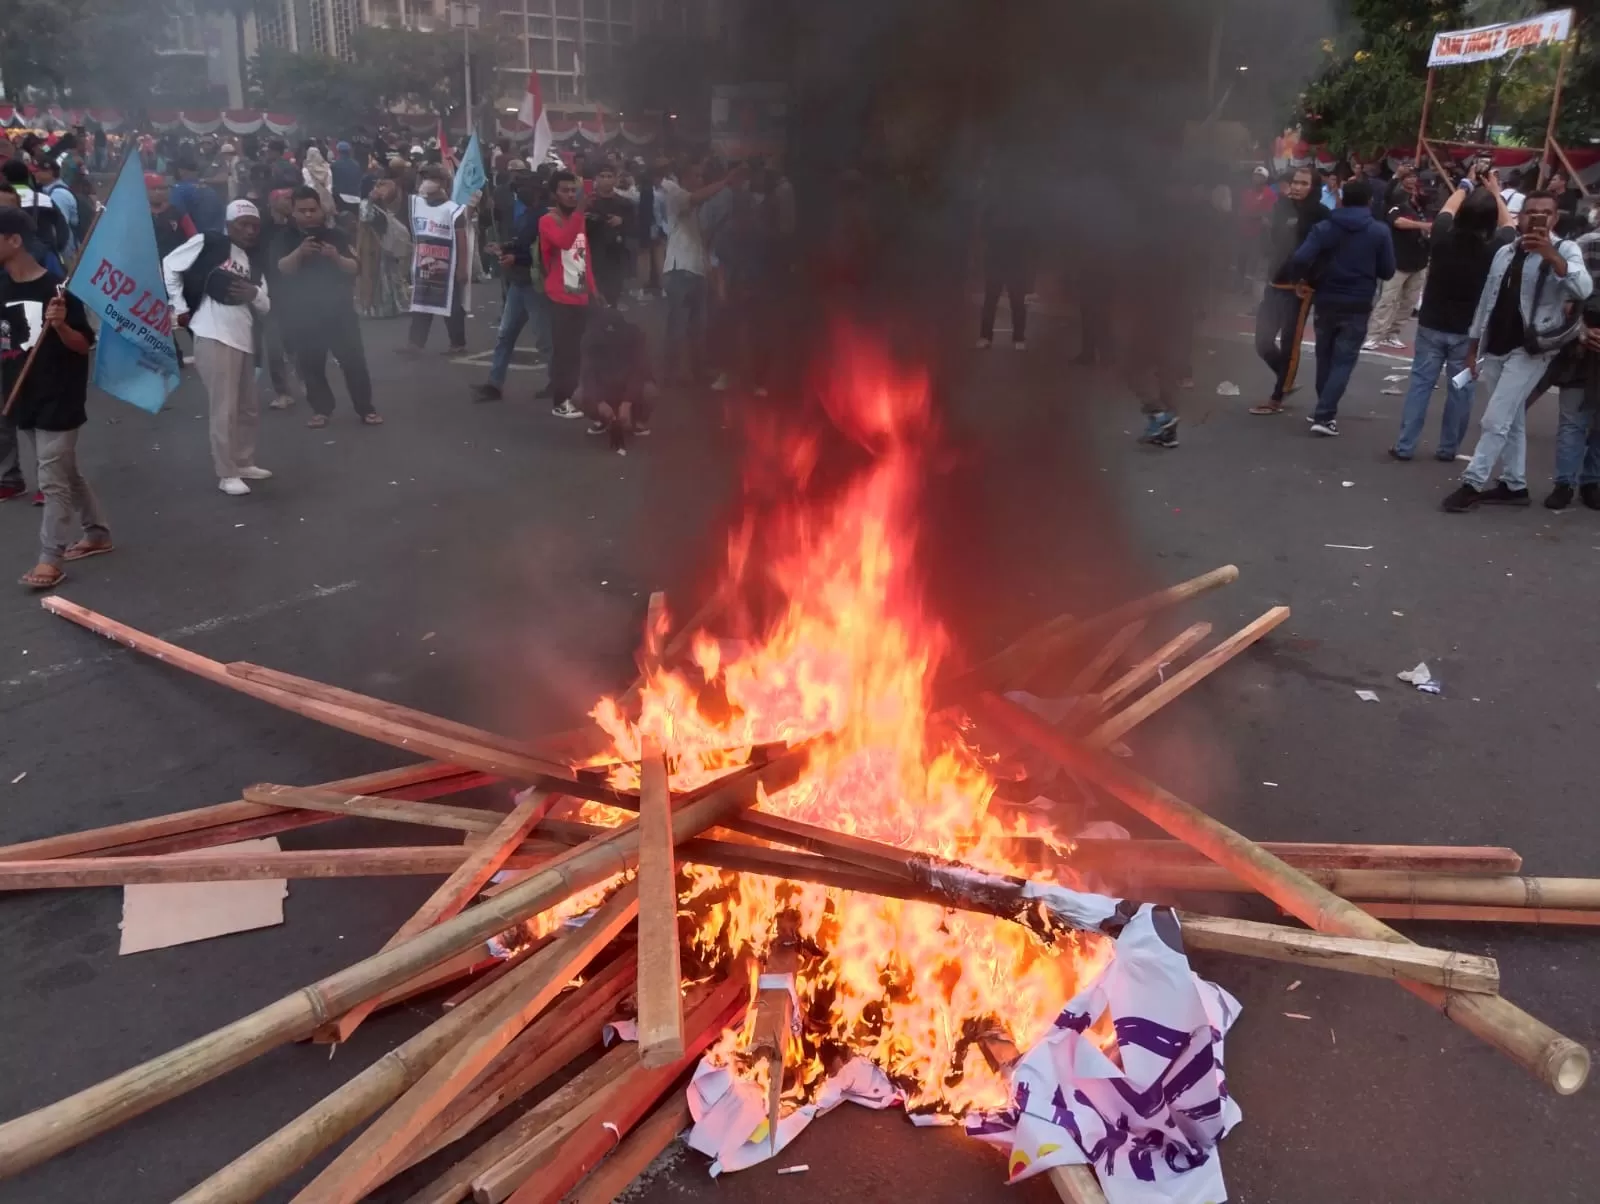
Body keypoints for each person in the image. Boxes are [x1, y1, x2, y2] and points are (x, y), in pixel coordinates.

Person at [1440, 192, 1593, 511]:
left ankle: (1472, 482)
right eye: (1531, 212)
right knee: (1510, 418)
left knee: (1495, 419)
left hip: (1533, 349)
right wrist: (1473, 346)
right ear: (1520, 216)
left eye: (1545, 213)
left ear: (1555, 218)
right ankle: (1514, 484)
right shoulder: (1505, 252)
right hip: (1496, 345)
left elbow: (1583, 288)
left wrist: (1552, 257)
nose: (1537, 218)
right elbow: (1487, 300)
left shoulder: (1565, 250)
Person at [0, 207, 111, 589]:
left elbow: (83, 346)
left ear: (14, 241)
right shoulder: (1, 286)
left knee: (51, 479)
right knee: (65, 470)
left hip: (59, 396)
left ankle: (50, 559)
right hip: (22, 394)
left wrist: (61, 325)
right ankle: (97, 533)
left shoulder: (59, 290)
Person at [1390, 181, 1515, 462]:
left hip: (1432, 321)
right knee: (1461, 389)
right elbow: (1510, 225)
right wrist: (1495, 191)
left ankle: (1405, 444)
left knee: (1421, 384)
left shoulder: (1442, 234)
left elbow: (1447, 208)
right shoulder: (1496, 246)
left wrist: (1465, 184)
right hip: (1469, 329)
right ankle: (1448, 448)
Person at [163, 199, 274, 496]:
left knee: (248, 407)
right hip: (213, 334)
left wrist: (253, 293)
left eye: (254, 225)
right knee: (224, 408)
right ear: (228, 225)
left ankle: (243, 461)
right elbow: (170, 265)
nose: (250, 231)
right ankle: (226, 473)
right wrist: (179, 305)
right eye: (243, 225)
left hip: (244, 337)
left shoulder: (254, 261)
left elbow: (265, 305)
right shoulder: (207, 242)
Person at [1288, 177, 1396, 436]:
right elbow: (1388, 270)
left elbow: (1301, 257)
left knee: (1325, 357)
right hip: (1358, 301)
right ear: (1370, 201)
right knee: (1344, 360)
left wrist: (1302, 280)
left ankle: (1323, 410)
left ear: (1342, 198)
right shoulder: (1379, 231)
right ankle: (1325, 415)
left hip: (1326, 298)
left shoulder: (1325, 227)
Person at [274, 187, 378, 429]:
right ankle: (321, 410)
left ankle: (366, 408)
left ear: (321, 209)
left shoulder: (337, 236)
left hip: (340, 312)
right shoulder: (285, 238)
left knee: (354, 362)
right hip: (304, 314)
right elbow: (281, 268)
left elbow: (355, 267)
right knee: (311, 365)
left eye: (313, 209)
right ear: (294, 212)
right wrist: (299, 253)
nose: (309, 215)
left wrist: (335, 257)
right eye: (303, 211)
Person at [1249, 165, 1328, 415]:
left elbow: (1324, 253)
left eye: (1304, 183)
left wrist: (1309, 280)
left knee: (1289, 342)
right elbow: (1273, 239)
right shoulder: (1281, 206)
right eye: (1295, 182)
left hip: (1299, 287)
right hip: (1275, 280)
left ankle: (1277, 397)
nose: (1297, 187)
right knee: (1262, 341)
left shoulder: (1321, 214)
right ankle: (1287, 378)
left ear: (1313, 188)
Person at [473, 167, 549, 402]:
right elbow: (521, 244)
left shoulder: (545, 218)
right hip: (518, 283)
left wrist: (517, 257)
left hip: (535, 284)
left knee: (544, 339)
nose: (521, 191)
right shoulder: (525, 215)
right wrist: (505, 248)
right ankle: (494, 383)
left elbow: (543, 253)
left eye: (527, 186)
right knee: (505, 335)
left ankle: (559, 382)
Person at [658, 158, 734, 384]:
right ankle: (671, 374)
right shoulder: (677, 195)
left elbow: (700, 238)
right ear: (686, 178)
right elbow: (697, 197)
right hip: (679, 271)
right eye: (696, 176)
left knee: (697, 327)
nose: (700, 180)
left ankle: (697, 371)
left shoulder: (691, 207)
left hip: (695, 270)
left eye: (701, 176)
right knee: (678, 327)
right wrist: (725, 182)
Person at [1544, 223, 1600, 510]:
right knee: (1573, 420)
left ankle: (1591, 482)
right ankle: (1565, 483)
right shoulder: (1585, 244)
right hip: (1579, 347)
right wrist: (1581, 330)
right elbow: (1563, 297)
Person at [538, 170, 595, 419]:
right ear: (555, 194)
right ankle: (561, 401)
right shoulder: (548, 220)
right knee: (565, 352)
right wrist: (580, 212)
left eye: (574, 190)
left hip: (580, 293)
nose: (571, 195)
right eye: (565, 190)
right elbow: (563, 241)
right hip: (560, 296)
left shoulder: (578, 219)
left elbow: (584, 256)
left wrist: (594, 289)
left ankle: (575, 396)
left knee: (580, 351)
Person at [1366, 170, 1431, 350]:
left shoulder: (1428, 210)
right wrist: (1422, 226)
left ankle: (1392, 334)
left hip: (1419, 262)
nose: (1420, 192)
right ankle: (1374, 335)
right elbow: (1398, 222)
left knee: (1409, 302)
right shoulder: (1398, 204)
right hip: (1398, 261)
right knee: (1388, 299)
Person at [403, 176, 468, 354]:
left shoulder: (453, 211)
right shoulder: (419, 207)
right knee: (421, 304)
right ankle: (415, 344)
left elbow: (462, 240)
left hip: (448, 267)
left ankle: (458, 343)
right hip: (424, 266)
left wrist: (462, 267)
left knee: (452, 306)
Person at [579, 305, 652, 454]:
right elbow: (588, 372)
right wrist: (599, 401)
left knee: (650, 391)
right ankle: (602, 419)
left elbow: (639, 370)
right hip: (604, 386)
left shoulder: (635, 336)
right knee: (578, 396)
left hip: (626, 385)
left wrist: (627, 402)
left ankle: (637, 420)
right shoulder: (590, 338)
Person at [976, 176, 1036, 351]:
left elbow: (984, 232)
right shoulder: (1000, 208)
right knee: (1007, 301)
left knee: (1001, 301)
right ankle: (1014, 338)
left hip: (1007, 260)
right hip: (1005, 259)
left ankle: (990, 337)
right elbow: (1029, 237)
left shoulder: (998, 208)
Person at [356, 177, 411, 318]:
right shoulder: (365, 204)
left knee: (389, 275)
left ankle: (391, 306)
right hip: (372, 246)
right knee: (375, 276)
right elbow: (365, 218)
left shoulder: (383, 204)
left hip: (383, 243)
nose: (378, 190)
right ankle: (373, 307)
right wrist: (370, 201)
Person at [1, 159, 70, 264]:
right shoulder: (44, 199)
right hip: (48, 259)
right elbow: (63, 230)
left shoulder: (4, 202)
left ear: (4, 178)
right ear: (27, 177)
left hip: (18, 265)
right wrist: (55, 250)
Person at [586, 164, 634, 307]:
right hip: (593, 256)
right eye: (602, 176)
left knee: (612, 298)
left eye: (609, 176)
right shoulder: (588, 202)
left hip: (615, 257)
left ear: (615, 179)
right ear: (596, 179)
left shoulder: (625, 203)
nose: (606, 180)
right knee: (592, 301)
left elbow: (635, 228)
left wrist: (622, 221)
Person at [1235, 165, 1277, 289]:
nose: (1256, 178)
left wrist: (1254, 216)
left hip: (1258, 233)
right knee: (1241, 256)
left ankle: (1248, 285)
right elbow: (1240, 210)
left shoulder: (1269, 194)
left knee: (1253, 259)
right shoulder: (1246, 192)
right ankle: (1238, 282)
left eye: (1260, 176)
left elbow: (1268, 214)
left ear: (1265, 179)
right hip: (1243, 230)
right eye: (1255, 176)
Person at [170, 152, 226, 236]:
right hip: (218, 239)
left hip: (197, 242)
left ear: (181, 171)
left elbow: (174, 216)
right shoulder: (209, 189)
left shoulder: (179, 189)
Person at [330, 141, 364, 215]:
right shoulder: (356, 165)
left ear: (338, 151)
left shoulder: (335, 165)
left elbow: (332, 182)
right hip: (356, 198)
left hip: (341, 198)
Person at [302, 146, 336, 217]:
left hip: (312, 199)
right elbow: (330, 185)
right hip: (326, 199)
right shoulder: (327, 168)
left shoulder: (306, 170)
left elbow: (308, 185)